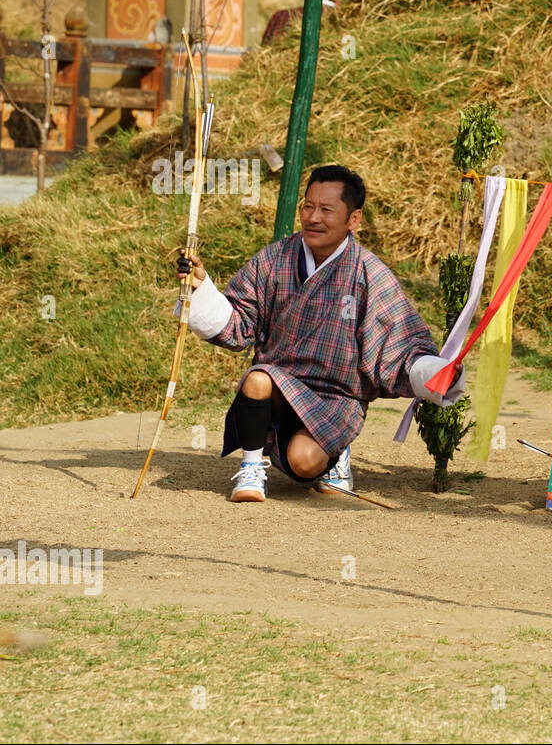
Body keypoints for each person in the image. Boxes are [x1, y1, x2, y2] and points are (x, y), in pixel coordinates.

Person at [176, 164, 464, 502]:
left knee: (304, 463)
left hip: (337, 397)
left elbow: (399, 345)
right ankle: (252, 468)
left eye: (327, 210)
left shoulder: (369, 273)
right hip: (279, 385)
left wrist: (433, 373)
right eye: (308, 206)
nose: (314, 217)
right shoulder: (274, 260)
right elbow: (239, 325)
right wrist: (200, 287)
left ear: (353, 219)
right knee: (256, 379)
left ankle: (334, 451)